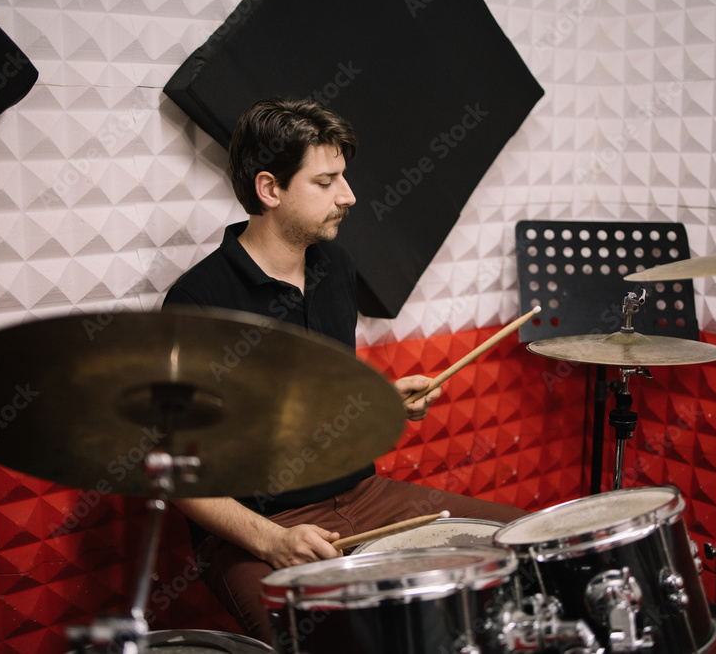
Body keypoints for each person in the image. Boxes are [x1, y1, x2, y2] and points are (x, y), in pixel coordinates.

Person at [162, 97, 526, 641]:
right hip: (262, 527)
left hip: (364, 497)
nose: (348, 196)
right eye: (327, 181)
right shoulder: (199, 300)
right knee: (318, 641)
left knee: (521, 545)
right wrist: (268, 540)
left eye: (344, 178)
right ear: (270, 189)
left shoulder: (335, 267)